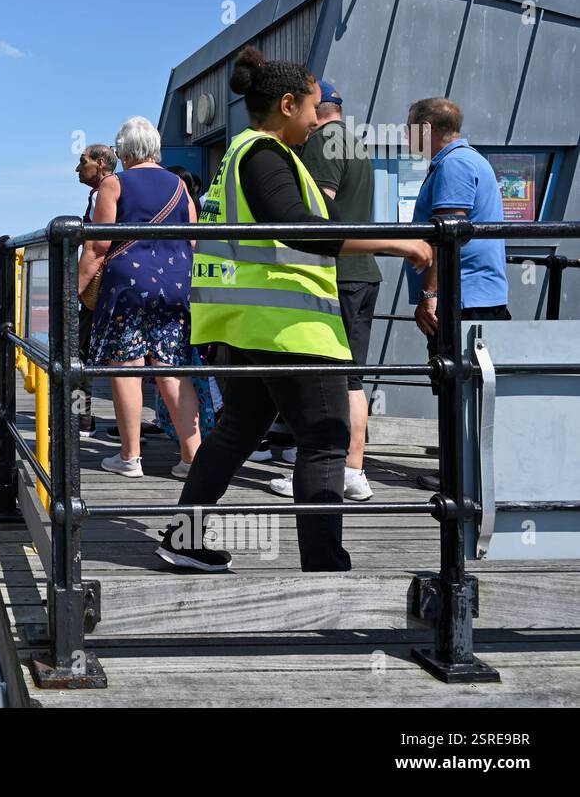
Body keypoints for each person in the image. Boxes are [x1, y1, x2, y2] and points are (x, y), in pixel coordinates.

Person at [158, 47, 433, 573]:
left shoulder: (239, 153)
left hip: (246, 326)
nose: (317, 120)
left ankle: (183, 537)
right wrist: (397, 242)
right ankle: (326, 569)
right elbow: (296, 227)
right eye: (312, 108)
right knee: (326, 440)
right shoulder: (266, 155)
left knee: (238, 430)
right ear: (287, 105)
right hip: (291, 329)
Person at [275, 81, 380, 501]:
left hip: (338, 274)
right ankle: (347, 467)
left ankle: (343, 470)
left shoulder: (324, 143)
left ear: (317, 109)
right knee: (349, 375)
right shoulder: (354, 141)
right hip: (360, 273)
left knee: (339, 378)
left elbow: (319, 210)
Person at [80, 117, 202, 479]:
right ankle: (192, 458)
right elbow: (194, 239)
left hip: (128, 289)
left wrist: (77, 288)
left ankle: (130, 457)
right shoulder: (180, 185)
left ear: (125, 150)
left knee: (127, 366)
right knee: (171, 368)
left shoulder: (114, 184)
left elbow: (98, 245)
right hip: (175, 287)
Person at [405, 97, 509, 491]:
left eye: (409, 127)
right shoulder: (462, 161)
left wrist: (428, 294)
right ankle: (464, 472)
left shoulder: (454, 164)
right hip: (472, 297)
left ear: (428, 128)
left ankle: (459, 477)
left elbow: (450, 236)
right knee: (462, 387)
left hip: (462, 301)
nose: (405, 135)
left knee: (457, 386)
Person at [74, 143, 118, 438]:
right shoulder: (121, 191)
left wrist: (72, 290)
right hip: (126, 288)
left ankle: (81, 418)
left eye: (83, 161)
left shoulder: (102, 194)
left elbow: (96, 246)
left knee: (77, 354)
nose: (78, 169)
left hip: (99, 291)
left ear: (100, 163)